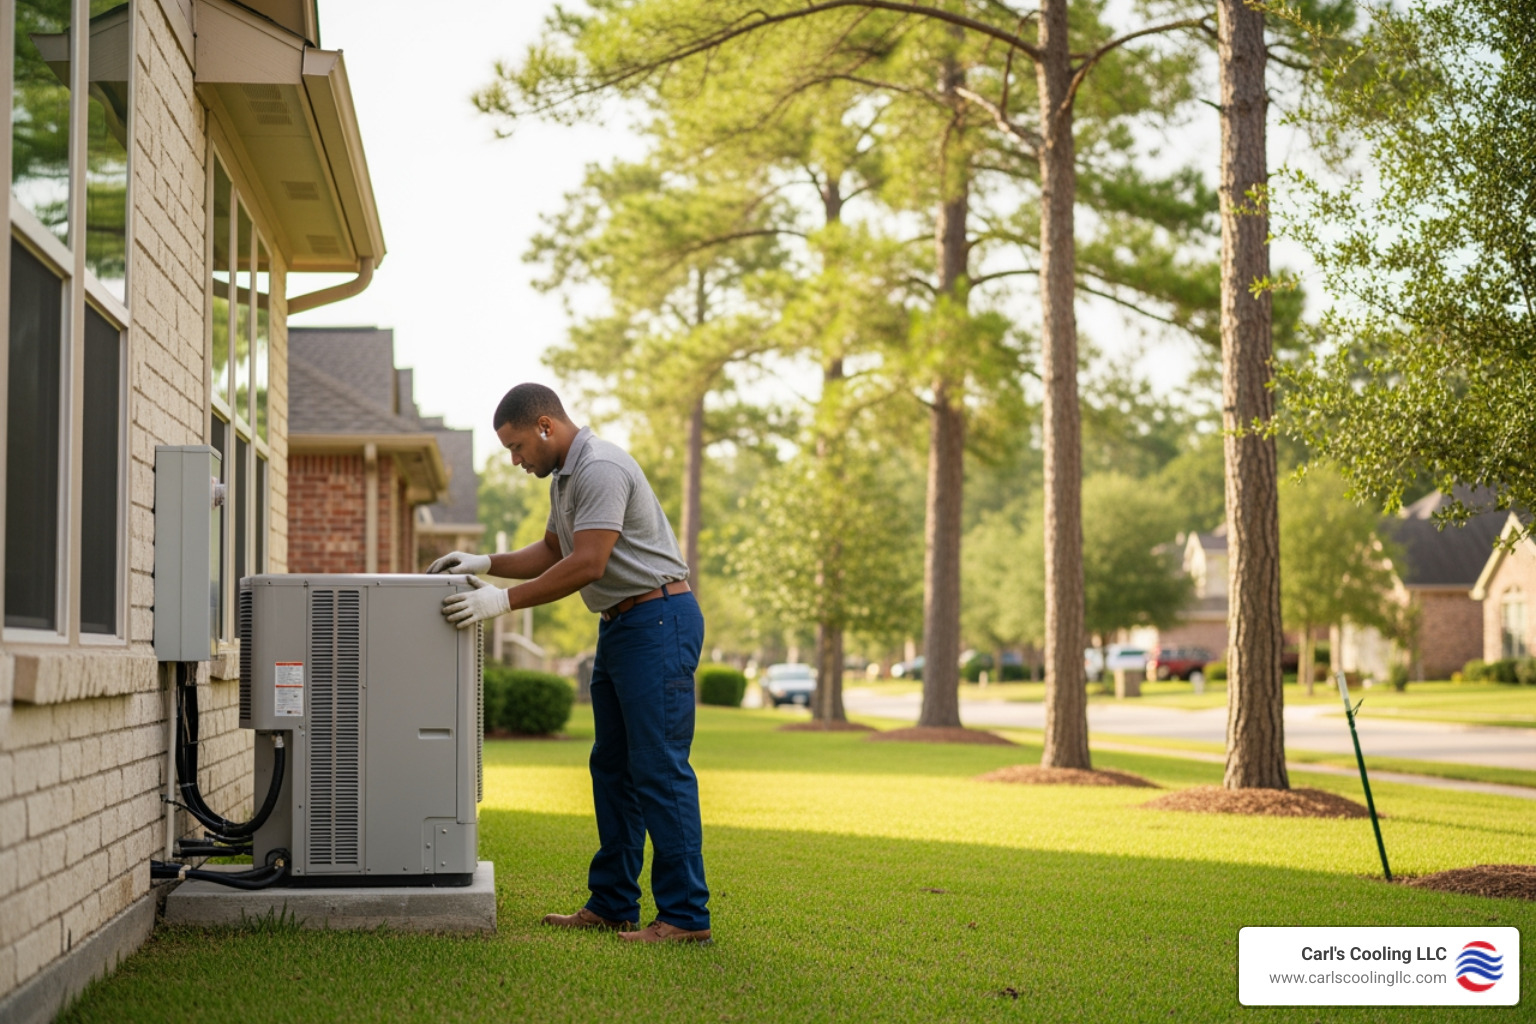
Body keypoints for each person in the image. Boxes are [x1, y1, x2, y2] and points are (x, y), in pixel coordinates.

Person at [428, 383, 710, 944]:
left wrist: (501, 602)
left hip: (659, 621)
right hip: (622, 625)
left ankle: (685, 917)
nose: (515, 460)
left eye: (516, 447)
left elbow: (588, 563)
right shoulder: (565, 477)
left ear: (545, 427)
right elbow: (553, 551)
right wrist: (484, 561)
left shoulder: (600, 467)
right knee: (612, 768)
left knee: (659, 768)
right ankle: (613, 904)